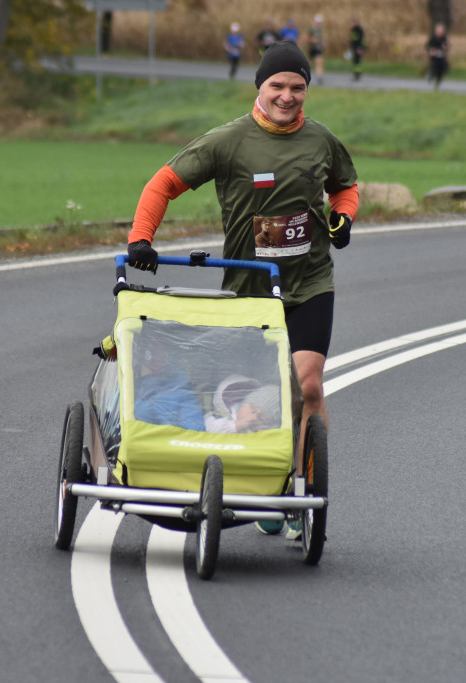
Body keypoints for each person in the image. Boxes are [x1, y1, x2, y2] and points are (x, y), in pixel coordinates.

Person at [125, 41, 359, 535]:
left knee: (307, 385)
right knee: (255, 399)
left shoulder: (321, 140)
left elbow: (345, 185)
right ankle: (262, 489)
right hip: (251, 291)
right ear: (260, 87)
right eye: (278, 86)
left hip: (311, 281)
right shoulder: (228, 142)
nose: (288, 96)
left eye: (298, 87)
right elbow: (162, 183)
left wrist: (343, 218)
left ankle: (299, 495)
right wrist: (141, 238)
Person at [204, 375, 281, 433]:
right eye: (230, 393)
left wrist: (263, 424)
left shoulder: (257, 411)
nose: (237, 395)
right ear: (220, 399)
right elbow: (208, 428)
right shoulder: (216, 417)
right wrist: (237, 425)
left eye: (244, 391)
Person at [426, 23, 449, 90]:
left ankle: (437, 85)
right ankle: (430, 75)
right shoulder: (433, 37)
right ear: (436, 30)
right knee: (434, 69)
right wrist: (431, 51)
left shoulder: (443, 38)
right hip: (434, 57)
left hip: (441, 56)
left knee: (441, 71)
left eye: (440, 30)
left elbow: (445, 46)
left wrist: (445, 48)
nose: (439, 31)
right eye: (438, 30)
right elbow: (428, 46)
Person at [307, 14, 325, 85]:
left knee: (319, 62)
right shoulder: (311, 29)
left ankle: (319, 77)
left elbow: (321, 39)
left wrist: (322, 42)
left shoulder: (320, 30)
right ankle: (305, 75)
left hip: (318, 48)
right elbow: (306, 38)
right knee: (310, 63)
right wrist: (312, 40)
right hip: (312, 48)